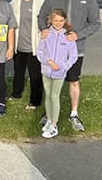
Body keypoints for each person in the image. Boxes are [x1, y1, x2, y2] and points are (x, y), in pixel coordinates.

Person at [38, 0, 101, 131]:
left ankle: (73, 113)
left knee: (73, 81)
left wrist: (77, 35)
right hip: (53, 52)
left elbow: (95, 23)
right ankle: (49, 113)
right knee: (51, 84)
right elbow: (41, 17)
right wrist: (44, 29)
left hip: (75, 51)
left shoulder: (89, 0)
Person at [37, 9, 78, 138]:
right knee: (48, 95)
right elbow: (40, 51)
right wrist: (48, 61)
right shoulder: (47, 34)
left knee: (55, 96)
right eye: (55, 20)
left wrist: (64, 67)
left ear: (65, 21)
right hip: (46, 70)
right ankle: (49, 119)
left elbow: (73, 55)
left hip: (60, 72)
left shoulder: (68, 36)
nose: (58, 23)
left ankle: (54, 125)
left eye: (61, 20)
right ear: (51, 20)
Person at [9, 0, 45, 110]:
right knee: (18, 73)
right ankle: (16, 94)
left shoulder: (41, 2)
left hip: (35, 46)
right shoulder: (14, 2)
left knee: (35, 75)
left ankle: (35, 101)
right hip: (19, 46)